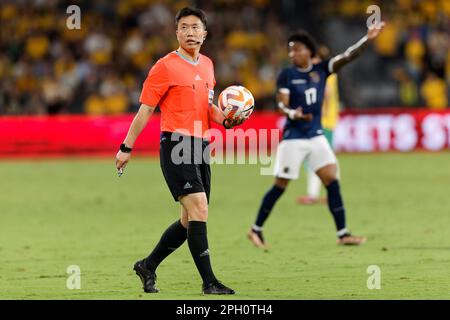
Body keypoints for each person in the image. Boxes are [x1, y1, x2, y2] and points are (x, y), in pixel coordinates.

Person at [115, 7, 243, 295]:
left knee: (190, 220)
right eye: (184, 27)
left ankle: (147, 265)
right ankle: (209, 282)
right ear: (176, 32)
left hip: (200, 146)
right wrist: (126, 147)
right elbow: (146, 110)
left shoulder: (208, 65)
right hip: (175, 145)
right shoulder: (165, 66)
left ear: (205, 33)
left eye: (195, 27)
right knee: (199, 207)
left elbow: (208, 108)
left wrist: (227, 120)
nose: (190, 32)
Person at [248, 22, 385, 249]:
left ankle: (343, 234)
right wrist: (293, 113)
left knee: (332, 180)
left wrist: (368, 39)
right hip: (293, 138)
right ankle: (256, 229)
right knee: (280, 185)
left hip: (316, 136)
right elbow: (281, 105)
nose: (293, 53)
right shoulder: (287, 75)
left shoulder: (322, 70)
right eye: (290, 50)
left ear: (309, 51)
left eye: (297, 49)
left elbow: (349, 56)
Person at [297, 46, 339, 205]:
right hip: (328, 121)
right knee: (324, 157)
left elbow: (325, 95)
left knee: (316, 158)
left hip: (322, 122)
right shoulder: (329, 73)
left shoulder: (321, 73)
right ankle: (329, 192)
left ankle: (315, 194)